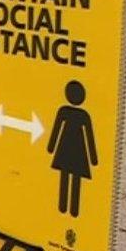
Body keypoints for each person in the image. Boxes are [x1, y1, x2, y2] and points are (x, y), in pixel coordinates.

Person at [47, 81, 97, 218]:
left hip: (64, 146)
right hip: (79, 149)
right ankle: (72, 209)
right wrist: (93, 159)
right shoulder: (83, 115)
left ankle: (63, 206)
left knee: (65, 176)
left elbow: (57, 130)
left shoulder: (64, 111)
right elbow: (89, 137)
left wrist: (51, 148)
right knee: (75, 178)